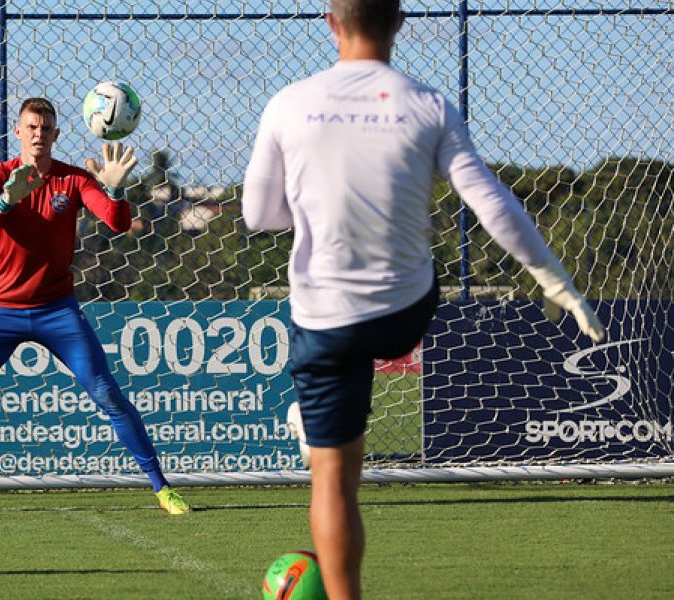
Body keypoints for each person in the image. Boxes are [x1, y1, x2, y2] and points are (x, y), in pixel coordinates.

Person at [241, 1, 605, 598]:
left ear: (332, 25)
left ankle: (317, 433)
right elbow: (492, 204)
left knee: (331, 478)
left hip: (325, 319)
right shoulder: (428, 104)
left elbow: (260, 215)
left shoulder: (288, 103)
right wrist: (554, 280)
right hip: (404, 312)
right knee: (378, 342)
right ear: (400, 24)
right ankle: (322, 414)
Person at [0, 97, 190, 515]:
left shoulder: (73, 180)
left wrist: (114, 188)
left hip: (57, 310)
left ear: (56, 134)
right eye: (31, 127)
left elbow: (116, 222)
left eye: (46, 128)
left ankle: (162, 488)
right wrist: (7, 200)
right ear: (18, 132)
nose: (39, 134)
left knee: (106, 393)